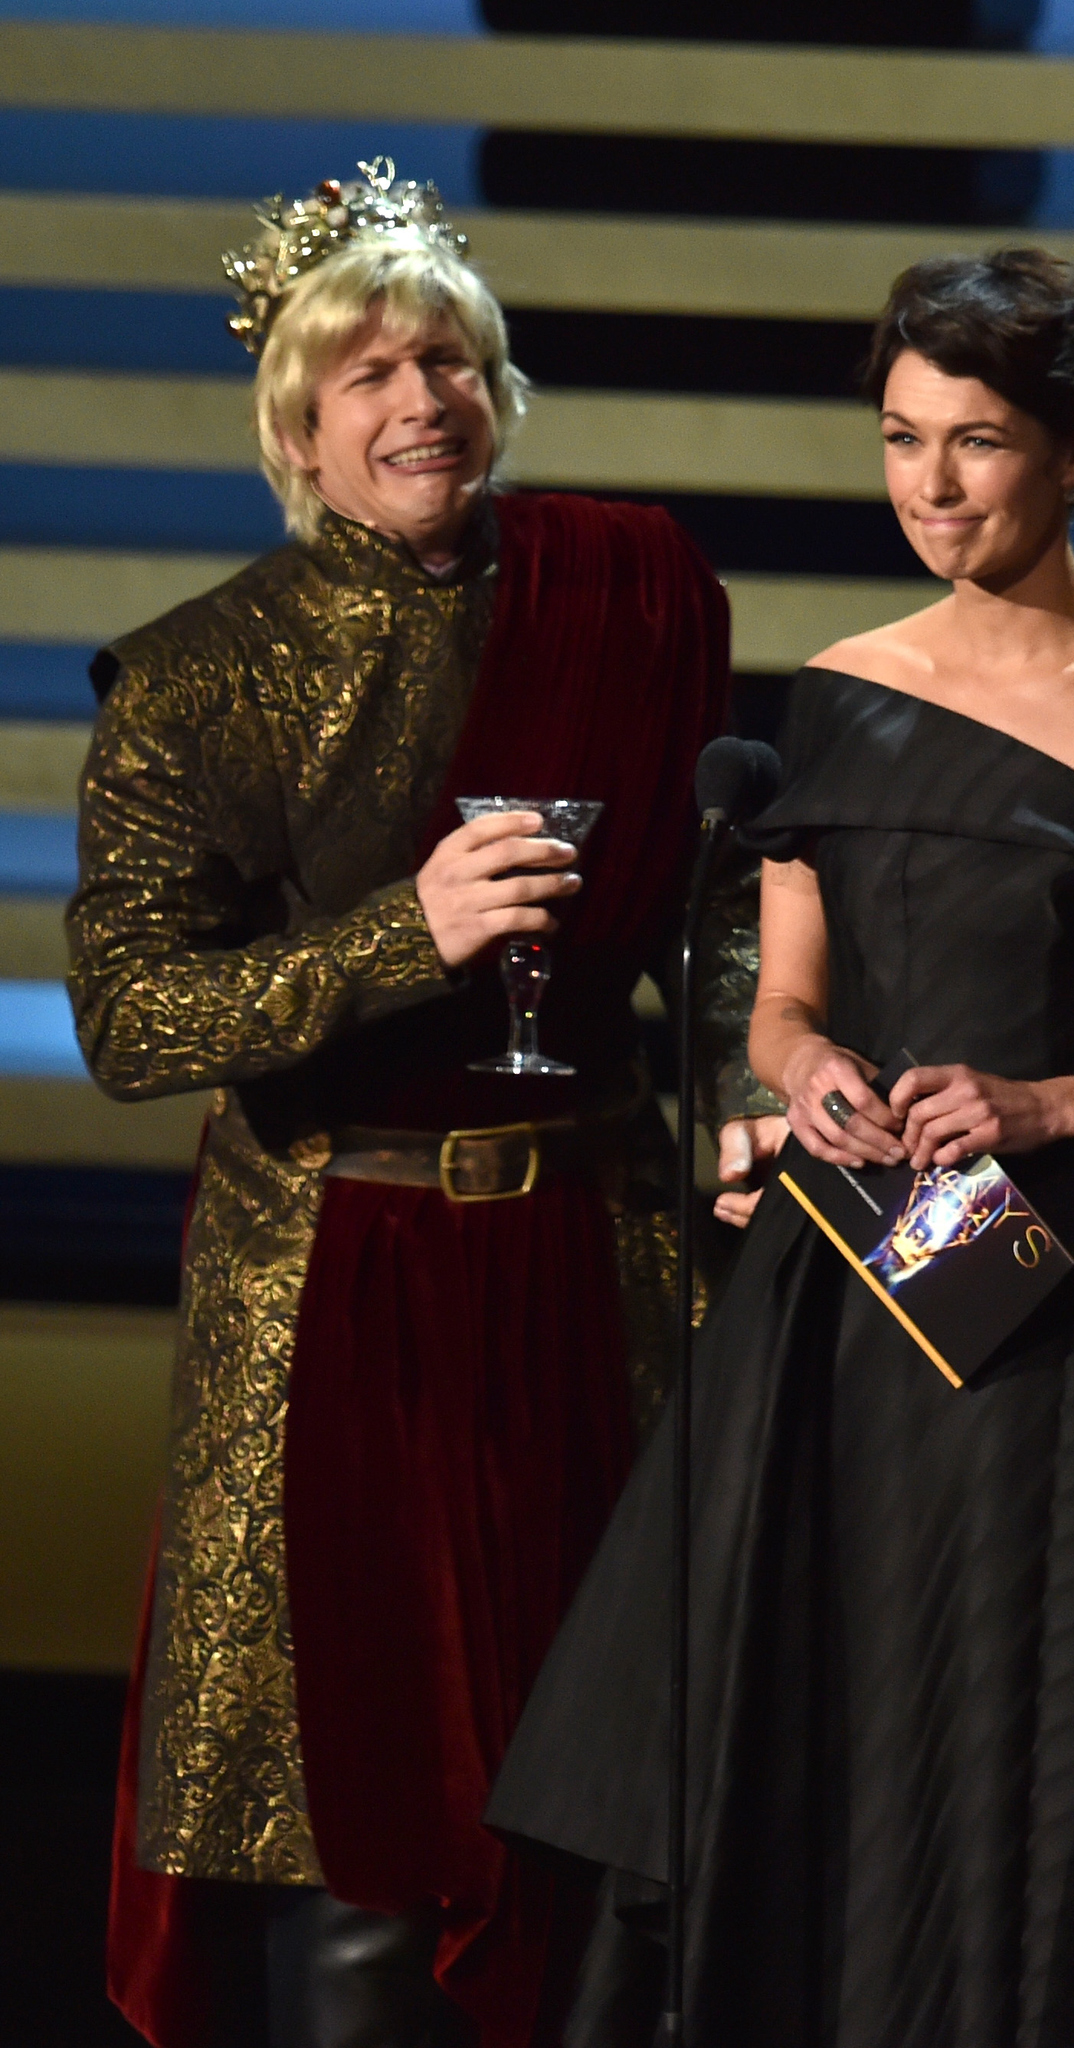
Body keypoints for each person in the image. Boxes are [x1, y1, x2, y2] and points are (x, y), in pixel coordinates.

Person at [486, 248, 1074, 2045]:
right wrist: (801, 1075)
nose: (933, 487)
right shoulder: (840, 692)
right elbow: (783, 1001)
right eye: (900, 439)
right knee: (822, 1717)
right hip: (853, 1282)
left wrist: (1061, 1103)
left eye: (980, 443)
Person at [68, 160, 783, 2048]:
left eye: (450, 360)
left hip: (602, 1252)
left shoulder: (625, 592)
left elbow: (715, 927)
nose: (421, 402)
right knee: (367, 1812)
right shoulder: (200, 678)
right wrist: (405, 934)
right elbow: (132, 1019)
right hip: (336, 1281)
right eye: (370, 372)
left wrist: (744, 1092)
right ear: (299, 430)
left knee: (619, 1774)